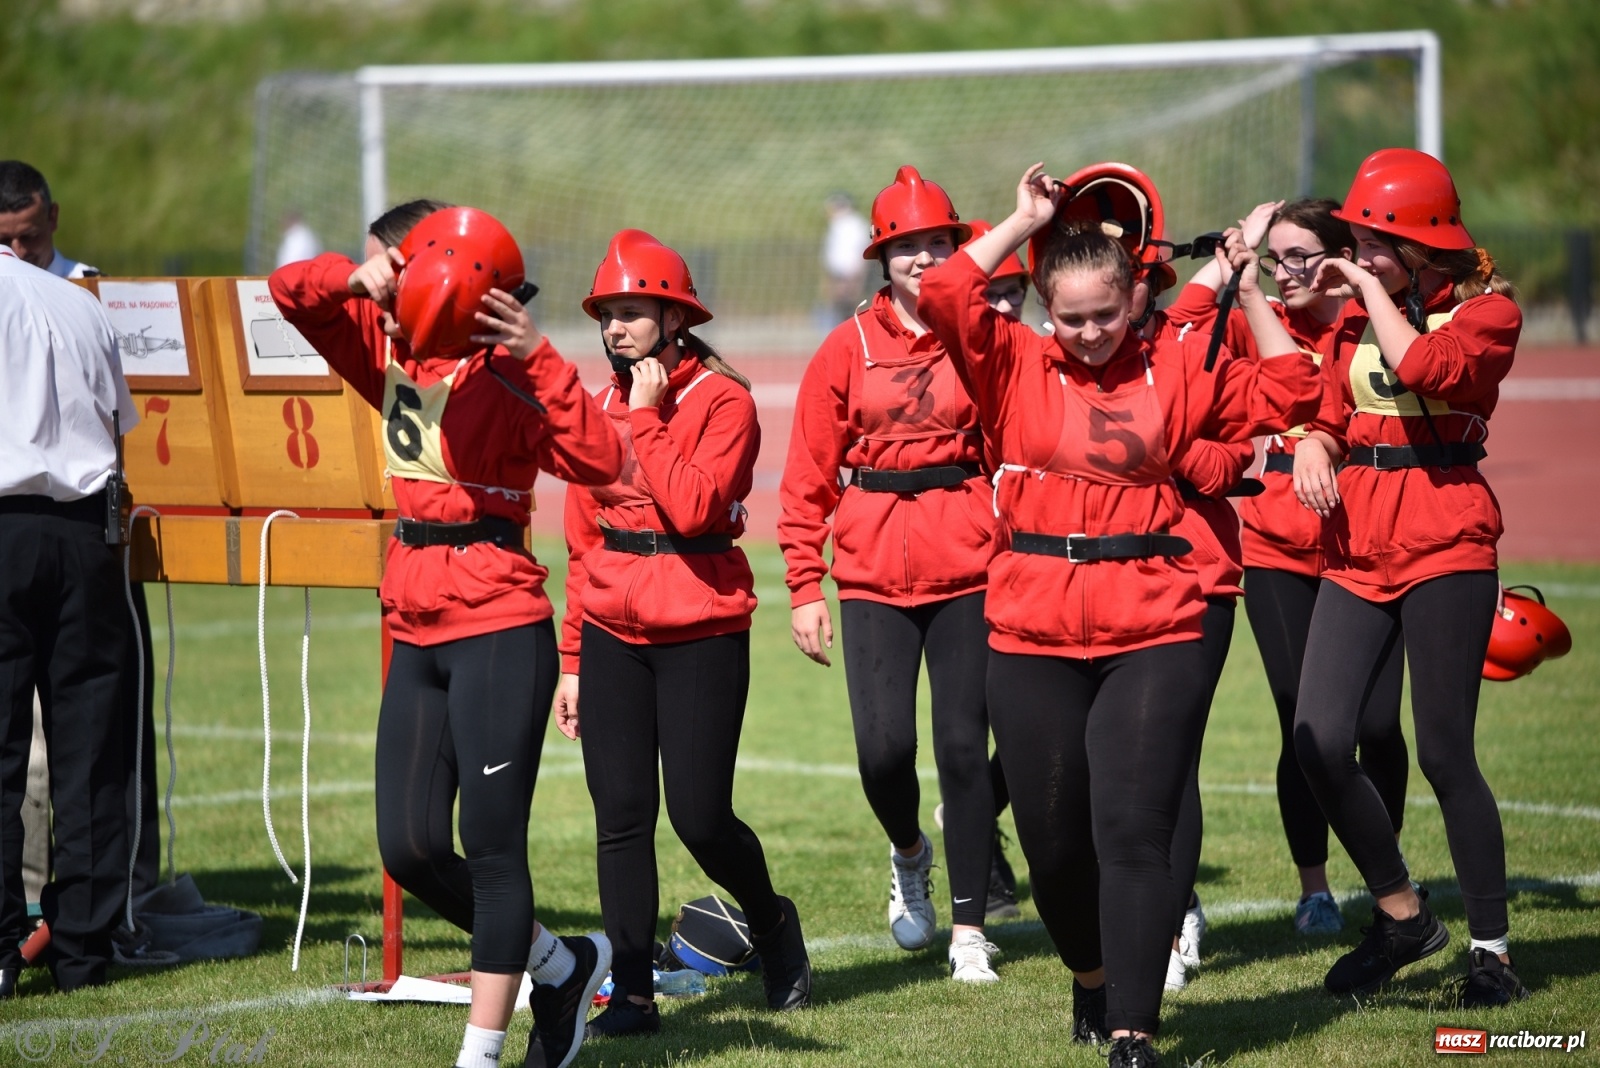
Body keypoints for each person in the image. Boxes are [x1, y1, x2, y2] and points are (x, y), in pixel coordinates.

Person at [920, 162, 1322, 1068]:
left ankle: (1134, 1033)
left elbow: (1296, 391)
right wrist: (1024, 222)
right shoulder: (1012, 360)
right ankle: (1094, 979)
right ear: (1044, 310)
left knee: (1134, 832)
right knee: (1054, 849)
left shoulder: (1179, 358)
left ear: (1137, 294)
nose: (1092, 333)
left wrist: (1252, 290)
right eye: (1072, 318)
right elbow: (946, 287)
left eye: (1107, 313)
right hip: (1030, 626)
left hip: (1158, 619)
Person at [270, 204, 620, 1068]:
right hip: (414, 617)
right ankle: (562, 964)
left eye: (395, 264)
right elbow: (288, 294)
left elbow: (605, 462)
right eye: (381, 270)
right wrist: (350, 278)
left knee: (493, 848)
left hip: (499, 621)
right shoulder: (386, 348)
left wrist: (540, 357)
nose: (384, 284)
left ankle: (483, 1055)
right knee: (412, 847)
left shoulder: (512, 370)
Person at [559, 229, 812, 1038]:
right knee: (621, 816)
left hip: (701, 624)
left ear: (675, 318)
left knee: (700, 817)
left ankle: (771, 925)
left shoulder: (723, 401)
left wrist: (644, 416)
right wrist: (571, 659)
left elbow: (696, 506)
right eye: (608, 315)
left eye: (633, 313)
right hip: (610, 630)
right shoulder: (594, 405)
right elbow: (580, 537)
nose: (616, 329)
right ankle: (632, 994)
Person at [1292, 148, 1527, 1006]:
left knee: (1443, 751)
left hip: (1447, 535)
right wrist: (1316, 447)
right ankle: (1403, 915)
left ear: (1420, 245)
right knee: (1317, 736)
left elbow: (1429, 371)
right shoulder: (1356, 316)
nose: (1356, 250)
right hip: (1360, 538)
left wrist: (1370, 291)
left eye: (1371, 239)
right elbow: (1327, 413)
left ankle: (1492, 954)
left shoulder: (1490, 312)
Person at [781, 167, 1003, 983]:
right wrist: (806, 585)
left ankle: (971, 931)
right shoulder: (847, 347)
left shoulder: (980, 334)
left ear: (957, 249)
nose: (922, 257)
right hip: (872, 571)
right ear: (882, 258)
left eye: (937, 243)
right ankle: (910, 854)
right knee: (884, 753)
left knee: (962, 750)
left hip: (970, 565)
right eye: (906, 246)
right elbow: (807, 474)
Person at [1169, 198, 1411, 939]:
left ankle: (1386, 881)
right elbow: (1181, 336)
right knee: (1300, 725)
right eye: (1277, 256)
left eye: (1303, 255)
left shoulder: (1373, 320)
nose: (1287, 272)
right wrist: (1230, 268)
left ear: (1343, 256)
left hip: (1368, 546)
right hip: (1276, 545)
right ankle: (1315, 888)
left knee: (1376, 726)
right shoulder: (1247, 318)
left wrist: (1323, 440)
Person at [0, 244, 136, 996]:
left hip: (8, 524)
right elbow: (118, 429)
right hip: (86, 532)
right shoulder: (79, 301)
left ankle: (2, 946)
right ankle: (83, 948)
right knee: (89, 752)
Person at [0, 161, 100, 278]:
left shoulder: (94, 291)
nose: (18, 253)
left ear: (53, 217)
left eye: (29, 237)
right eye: (3, 241)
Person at [819, 192, 872, 326]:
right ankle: (841, 326)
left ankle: (852, 325)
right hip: (838, 270)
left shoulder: (855, 224)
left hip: (851, 269)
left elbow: (860, 248)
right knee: (837, 301)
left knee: (850, 300)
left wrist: (857, 271)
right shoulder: (836, 224)